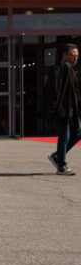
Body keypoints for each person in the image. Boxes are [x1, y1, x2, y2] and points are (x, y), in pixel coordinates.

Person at [44, 43, 80, 175]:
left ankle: (58, 156)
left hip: (72, 109)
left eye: (77, 56)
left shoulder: (70, 70)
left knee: (78, 133)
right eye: (73, 55)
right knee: (64, 136)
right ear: (64, 55)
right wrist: (55, 109)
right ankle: (61, 166)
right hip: (62, 109)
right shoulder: (57, 70)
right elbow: (52, 92)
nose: (75, 58)